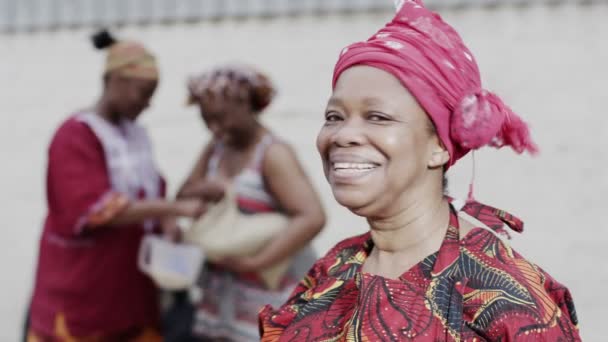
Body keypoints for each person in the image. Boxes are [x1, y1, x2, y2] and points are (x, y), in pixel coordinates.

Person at [259, 1, 581, 341]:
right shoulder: (338, 266)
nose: (342, 135)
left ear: (439, 145)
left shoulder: (504, 300)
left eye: (378, 117)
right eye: (334, 117)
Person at [27, 30, 204, 341]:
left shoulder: (135, 135)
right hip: (83, 293)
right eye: (143, 92)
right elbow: (95, 208)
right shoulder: (75, 136)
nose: (148, 103)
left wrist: (167, 221)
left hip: (130, 293)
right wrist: (176, 207)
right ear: (115, 81)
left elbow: (153, 188)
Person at [178, 65, 326, 341]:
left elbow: (311, 217)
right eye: (206, 119)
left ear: (245, 104)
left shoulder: (273, 154)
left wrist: (257, 261)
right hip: (225, 291)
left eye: (220, 117)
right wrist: (210, 190)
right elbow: (183, 196)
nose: (214, 127)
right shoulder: (216, 147)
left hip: (269, 290)